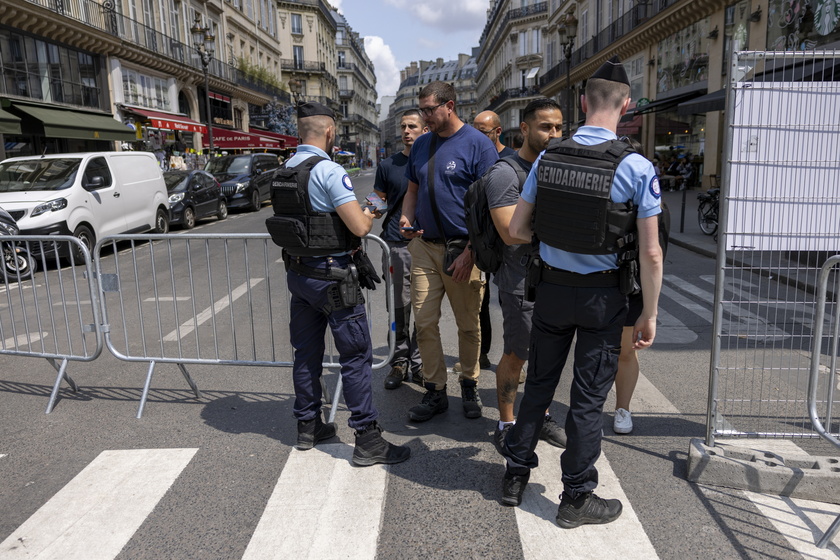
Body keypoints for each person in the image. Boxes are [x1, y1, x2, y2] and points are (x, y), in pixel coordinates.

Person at [499, 56, 663, 528]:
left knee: (539, 388)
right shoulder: (636, 166)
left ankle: (514, 476)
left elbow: (516, 228)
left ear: (581, 100)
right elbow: (651, 254)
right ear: (626, 104)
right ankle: (575, 499)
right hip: (602, 301)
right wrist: (648, 313)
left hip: (550, 291)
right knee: (588, 399)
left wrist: (555, 240)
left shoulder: (549, 157)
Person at [267, 101, 410, 467]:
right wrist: (372, 209)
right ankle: (367, 439)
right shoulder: (328, 171)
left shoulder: (283, 169)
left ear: (301, 131)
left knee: (307, 355)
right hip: (333, 278)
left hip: (299, 276)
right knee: (356, 357)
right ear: (330, 132)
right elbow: (360, 227)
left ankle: (308, 425)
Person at [400, 81, 499, 422]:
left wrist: (471, 252)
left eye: (429, 109)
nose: (424, 116)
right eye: (421, 109)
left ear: (450, 106)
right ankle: (435, 390)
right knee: (425, 322)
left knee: (468, 324)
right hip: (425, 247)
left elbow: (490, 207)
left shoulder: (478, 145)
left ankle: (469, 384)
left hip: (462, 249)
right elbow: (412, 190)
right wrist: (405, 216)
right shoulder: (422, 144)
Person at [483, 98, 567, 451]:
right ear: (525, 130)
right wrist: (566, 234)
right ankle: (506, 422)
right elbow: (509, 231)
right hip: (519, 281)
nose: (553, 134)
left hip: (554, 279)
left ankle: (541, 415)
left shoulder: (558, 167)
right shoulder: (505, 173)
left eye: (559, 127)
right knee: (517, 354)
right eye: (546, 127)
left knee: (545, 356)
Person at [613, 138, 671, 435]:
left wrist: (650, 311)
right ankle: (621, 410)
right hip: (628, 287)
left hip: (625, 285)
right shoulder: (651, 199)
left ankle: (621, 409)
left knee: (617, 352)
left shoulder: (650, 202)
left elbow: (653, 254)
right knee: (622, 352)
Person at [373, 109, 428, 390]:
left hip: (428, 245)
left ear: (425, 129)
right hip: (395, 245)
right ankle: (398, 360)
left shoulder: (432, 160)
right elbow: (377, 203)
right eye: (403, 126)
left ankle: (419, 363)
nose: (406, 131)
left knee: (425, 309)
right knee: (399, 310)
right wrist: (359, 216)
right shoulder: (388, 166)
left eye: (413, 126)